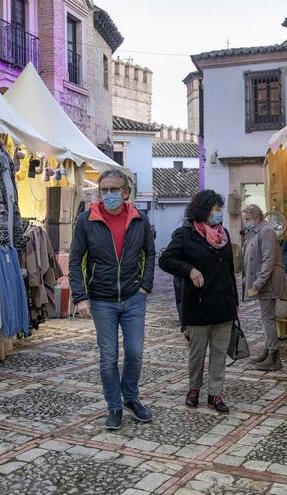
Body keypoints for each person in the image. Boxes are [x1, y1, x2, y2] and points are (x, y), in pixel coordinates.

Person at [69, 169, 155, 430]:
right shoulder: (86, 220)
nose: (108, 195)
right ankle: (114, 407)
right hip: (101, 300)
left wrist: (145, 286)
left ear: (125, 192)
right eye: (104, 190)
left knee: (135, 353)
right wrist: (80, 297)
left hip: (133, 297)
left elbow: (150, 254)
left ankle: (130, 397)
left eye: (114, 190)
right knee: (108, 358)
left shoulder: (140, 219)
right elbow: (75, 261)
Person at [159, 190, 237, 413]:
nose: (219, 213)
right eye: (215, 209)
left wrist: (235, 302)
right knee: (197, 353)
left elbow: (229, 269)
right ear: (203, 210)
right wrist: (189, 269)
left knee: (220, 353)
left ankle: (215, 394)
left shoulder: (224, 235)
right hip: (198, 304)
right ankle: (194, 389)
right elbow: (166, 260)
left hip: (223, 304)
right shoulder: (185, 234)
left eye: (220, 209)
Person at [241, 204, 286, 371]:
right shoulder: (258, 231)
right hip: (265, 280)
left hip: (269, 281)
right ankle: (268, 352)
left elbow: (268, 260)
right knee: (266, 317)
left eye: (247, 219)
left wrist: (258, 283)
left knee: (268, 318)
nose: (246, 223)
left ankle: (274, 357)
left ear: (257, 217)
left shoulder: (266, 231)